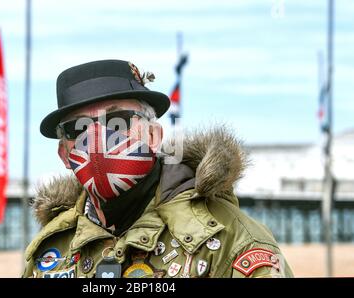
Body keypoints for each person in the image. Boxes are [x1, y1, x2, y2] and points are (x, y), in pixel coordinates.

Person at [23, 59, 293, 278]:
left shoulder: (227, 239)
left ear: (153, 136)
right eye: (76, 128)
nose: (97, 138)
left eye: (118, 120)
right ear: (64, 154)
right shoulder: (51, 250)